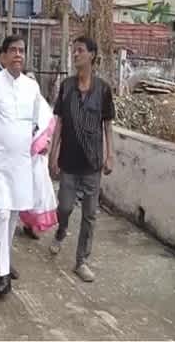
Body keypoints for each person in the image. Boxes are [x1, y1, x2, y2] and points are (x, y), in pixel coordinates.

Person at [48, 36, 115, 283]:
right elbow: (59, 123)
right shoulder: (66, 86)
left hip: (92, 163)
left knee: (89, 215)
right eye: (74, 50)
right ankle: (61, 230)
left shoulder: (103, 89)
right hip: (68, 161)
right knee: (64, 207)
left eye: (80, 50)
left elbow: (107, 125)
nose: (75, 54)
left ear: (92, 55)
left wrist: (110, 154)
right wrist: (53, 153)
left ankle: (81, 261)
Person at [0, 35, 41, 297]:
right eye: (13, 50)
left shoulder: (32, 87)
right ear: (3, 56)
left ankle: (0, 257)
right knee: (2, 213)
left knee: (13, 212)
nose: (18, 54)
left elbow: (34, 122)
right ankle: (4, 273)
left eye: (22, 50)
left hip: (20, 161)